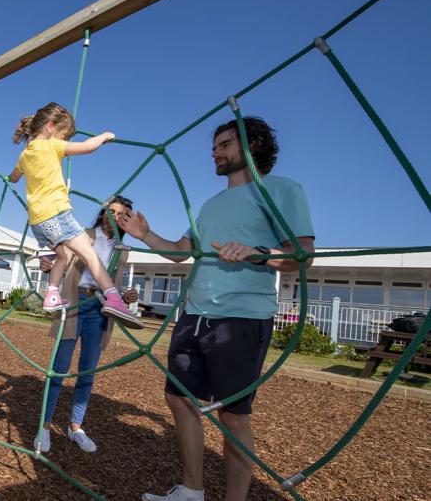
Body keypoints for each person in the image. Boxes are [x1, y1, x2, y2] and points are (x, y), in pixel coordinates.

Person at [119, 117, 315, 501]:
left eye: (224, 144)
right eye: (215, 146)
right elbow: (180, 253)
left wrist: (259, 254)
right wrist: (145, 235)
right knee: (179, 398)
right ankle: (191, 492)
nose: (215, 151)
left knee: (233, 416)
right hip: (194, 316)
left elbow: (302, 255)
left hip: (242, 319)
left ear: (253, 145)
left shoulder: (281, 190)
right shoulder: (209, 205)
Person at [9, 102, 142, 329]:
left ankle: (52, 295)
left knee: (64, 256)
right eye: (64, 135)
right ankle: (113, 298)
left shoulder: (25, 155)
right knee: (91, 256)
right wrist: (105, 135)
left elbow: (13, 177)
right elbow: (89, 147)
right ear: (51, 127)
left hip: (38, 221)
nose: (65, 140)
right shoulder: (51, 146)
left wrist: (12, 178)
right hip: (57, 214)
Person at [34, 196, 140, 454]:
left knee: (87, 371)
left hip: (100, 308)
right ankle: (45, 426)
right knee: (60, 367)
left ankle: (75, 426)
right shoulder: (84, 234)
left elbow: (111, 279)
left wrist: (124, 295)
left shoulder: (122, 250)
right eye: (110, 211)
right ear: (102, 213)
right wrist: (50, 265)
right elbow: (65, 258)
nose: (113, 217)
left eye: (120, 214)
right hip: (75, 303)